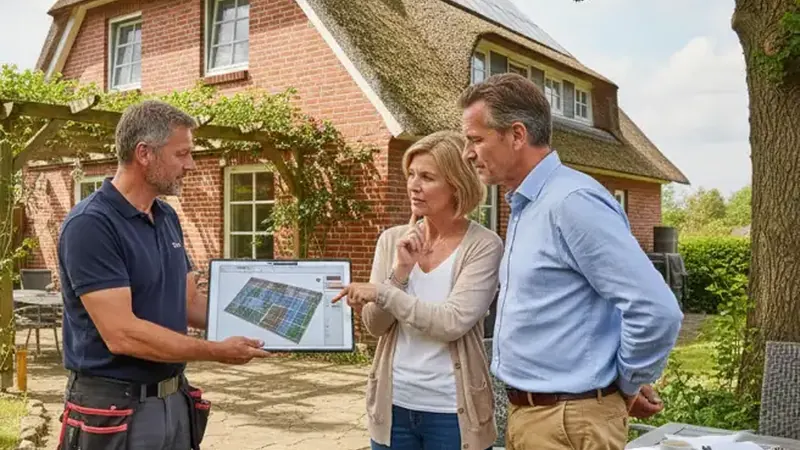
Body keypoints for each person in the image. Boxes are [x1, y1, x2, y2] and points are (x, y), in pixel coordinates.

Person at [458, 73, 684, 450]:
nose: (467, 152)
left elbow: (656, 310)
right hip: (536, 418)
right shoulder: (527, 205)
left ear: (516, 135)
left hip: (567, 422)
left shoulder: (570, 203)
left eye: (475, 140)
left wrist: (624, 383)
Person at [56, 100, 269, 450]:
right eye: (182, 154)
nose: (191, 165)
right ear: (144, 153)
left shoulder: (166, 217)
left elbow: (188, 302)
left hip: (173, 399)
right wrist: (215, 351)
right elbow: (122, 334)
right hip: (113, 408)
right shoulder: (91, 225)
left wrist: (269, 328)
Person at [332, 130, 503, 450]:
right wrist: (400, 271)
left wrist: (383, 293)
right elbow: (375, 325)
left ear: (456, 185)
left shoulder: (483, 246)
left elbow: (451, 323)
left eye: (427, 177)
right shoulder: (391, 240)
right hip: (393, 407)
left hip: (452, 414)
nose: (413, 185)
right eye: (410, 174)